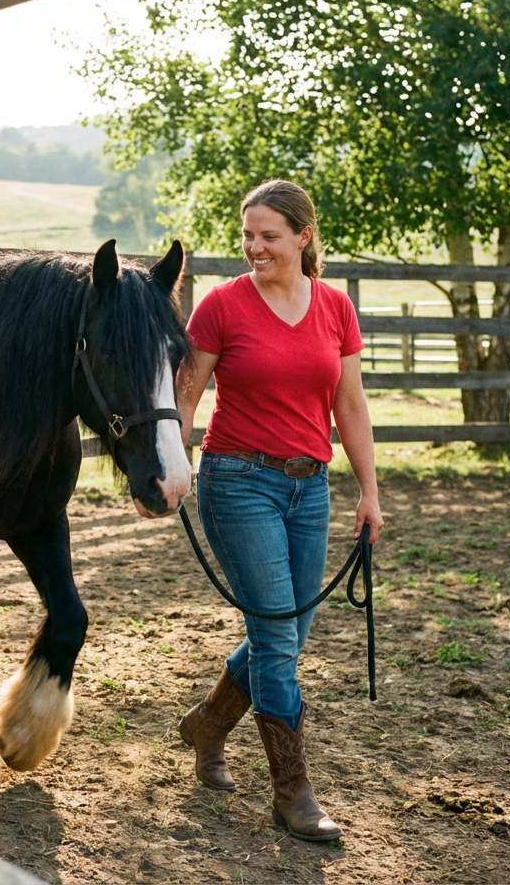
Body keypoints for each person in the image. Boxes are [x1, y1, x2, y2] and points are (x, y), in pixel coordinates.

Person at [175, 179, 383, 842]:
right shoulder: (221, 306)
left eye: (268, 236)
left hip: (310, 487)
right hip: (238, 481)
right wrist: (171, 466)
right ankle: (292, 793)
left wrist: (369, 493)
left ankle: (208, 724)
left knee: (290, 635)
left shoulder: (334, 309)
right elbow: (185, 394)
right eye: (248, 236)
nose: (254, 247)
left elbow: (348, 406)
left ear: (303, 236)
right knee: (277, 642)